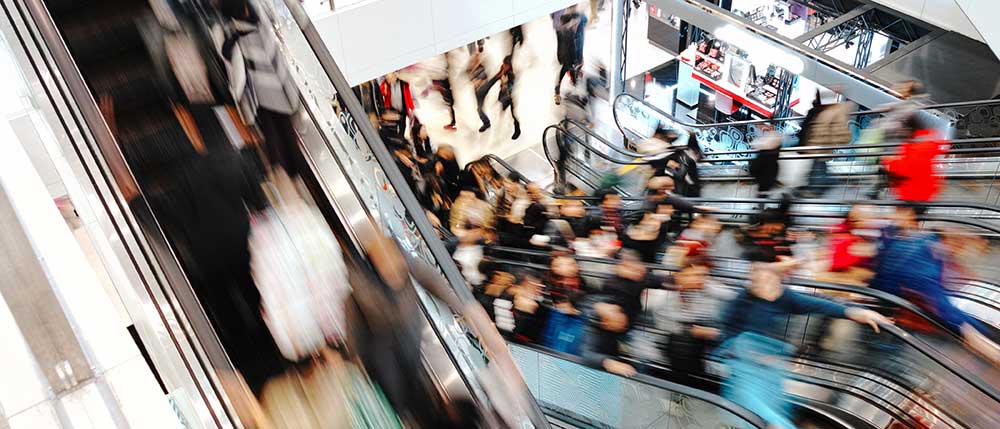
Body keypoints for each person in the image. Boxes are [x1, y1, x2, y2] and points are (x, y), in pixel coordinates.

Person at [718, 264, 890, 429]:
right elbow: (727, 329)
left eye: (770, 282)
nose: (765, 288)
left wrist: (857, 312)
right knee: (759, 413)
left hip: (770, 371)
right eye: (759, 282)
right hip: (744, 369)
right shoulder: (743, 300)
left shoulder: (785, 297)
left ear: (779, 281)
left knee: (769, 415)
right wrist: (744, 352)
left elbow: (821, 304)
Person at [869, 205, 1000, 364]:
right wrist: (984, 337)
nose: (960, 255)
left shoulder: (927, 241)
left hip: (890, 292)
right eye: (961, 249)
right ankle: (885, 353)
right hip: (888, 302)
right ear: (951, 244)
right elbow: (949, 313)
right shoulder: (924, 268)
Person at [644, 256, 735, 389]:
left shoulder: (709, 290)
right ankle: (685, 389)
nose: (699, 279)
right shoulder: (666, 295)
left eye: (703, 275)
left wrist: (713, 332)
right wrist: (690, 331)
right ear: (681, 275)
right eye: (694, 275)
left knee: (687, 345)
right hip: (676, 341)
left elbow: (732, 299)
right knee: (682, 343)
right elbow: (663, 325)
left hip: (710, 338)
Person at [601, 249, 668, 329]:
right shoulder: (612, 282)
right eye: (627, 266)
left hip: (630, 319)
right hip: (620, 320)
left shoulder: (642, 278)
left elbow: (661, 281)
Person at [882, 125, 948, 203]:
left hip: (908, 194)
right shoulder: (929, 147)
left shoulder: (911, 149)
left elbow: (902, 169)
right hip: (926, 194)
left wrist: (887, 161)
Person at [580, 300, 636, 377]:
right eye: (618, 322)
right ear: (606, 322)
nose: (623, 324)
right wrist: (608, 363)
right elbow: (587, 355)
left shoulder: (616, 330)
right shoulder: (593, 331)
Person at [554, 8, 587, 105]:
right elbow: (572, 48)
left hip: (565, 59)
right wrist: (576, 62)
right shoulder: (570, 34)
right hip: (570, 60)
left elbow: (559, 45)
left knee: (564, 75)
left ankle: (558, 94)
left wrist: (559, 57)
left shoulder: (560, 32)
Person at [378, 72, 415, 139]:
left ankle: (401, 138)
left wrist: (412, 108)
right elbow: (381, 91)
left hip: (402, 110)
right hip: (392, 111)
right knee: (392, 128)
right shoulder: (386, 84)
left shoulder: (403, 83)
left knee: (402, 127)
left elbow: (408, 93)